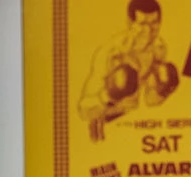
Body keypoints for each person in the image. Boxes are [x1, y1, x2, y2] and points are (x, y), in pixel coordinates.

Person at [77, 0, 180, 141]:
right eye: (142, 24)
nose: (149, 31)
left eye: (154, 23)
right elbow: (84, 110)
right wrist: (111, 94)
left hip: (131, 126)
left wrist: (163, 90)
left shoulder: (158, 49)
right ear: (130, 23)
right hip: (104, 127)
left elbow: (151, 101)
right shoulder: (111, 54)